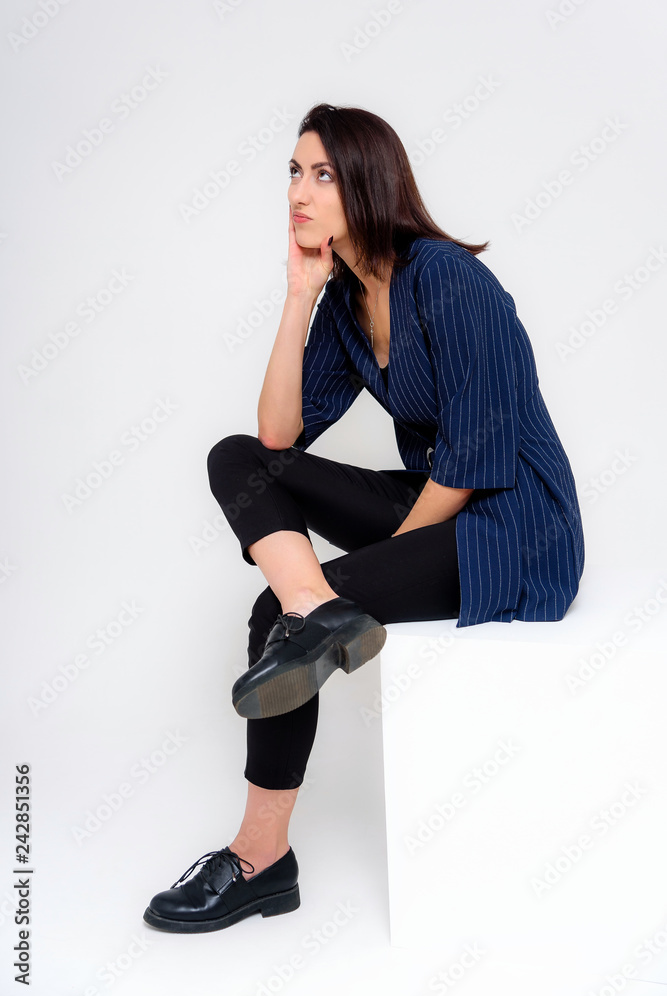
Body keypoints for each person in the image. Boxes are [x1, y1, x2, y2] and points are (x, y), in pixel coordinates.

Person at [143, 103, 585, 934]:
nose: (298, 192)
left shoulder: (448, 278)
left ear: (369, 182)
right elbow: (280, 435)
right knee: (237, 459)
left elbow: (474, 456)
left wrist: (375, 571)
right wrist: (299, 295)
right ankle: (317, 612)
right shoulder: (346, 301)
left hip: (515, 529)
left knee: (273, 612)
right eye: (292, 172)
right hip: (438, 504)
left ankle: (258, 859)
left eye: (322, 174)